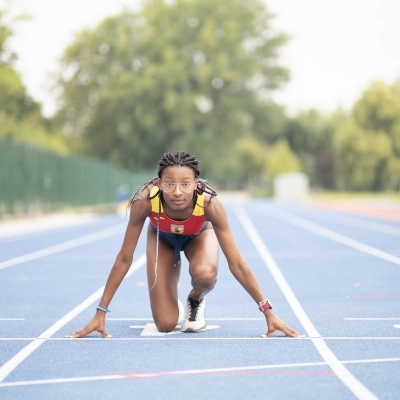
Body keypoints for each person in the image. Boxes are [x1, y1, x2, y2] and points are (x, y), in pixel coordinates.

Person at [67, 151, 301, 338]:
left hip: (197, 237)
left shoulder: (210, 205)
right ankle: (169, 295)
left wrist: (267, 312)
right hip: (162, 240)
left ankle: (195, 298)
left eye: (185, 184)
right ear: (159, 183)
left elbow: (237, 263)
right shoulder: (145, 202)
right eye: (169, 184)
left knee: (205, 274)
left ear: (196, 184)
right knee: (166, 324)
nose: (177, 192)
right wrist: (101, 312)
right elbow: (124, 259)